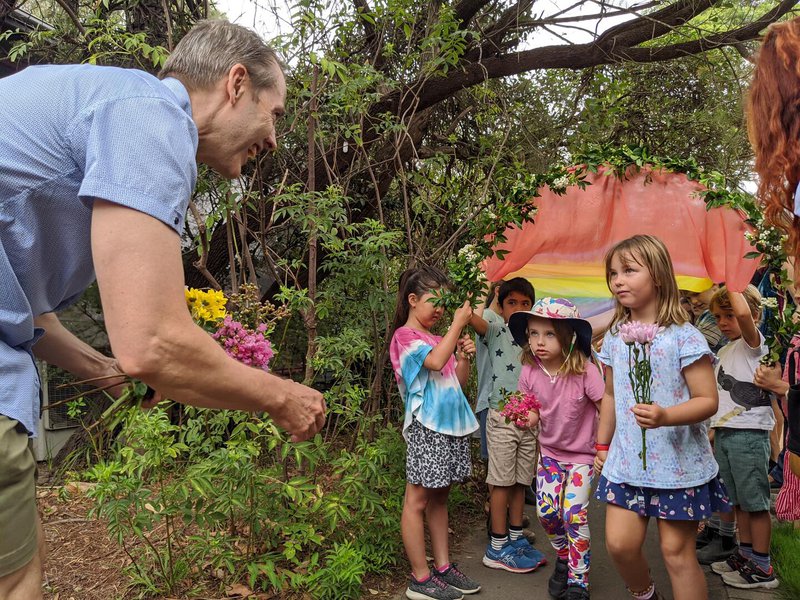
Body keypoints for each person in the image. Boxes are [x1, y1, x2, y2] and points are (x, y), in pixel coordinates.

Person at [0, 20, 326, 600]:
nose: (275, 139)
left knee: (26, 555)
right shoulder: (151, 114)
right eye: (274, 113)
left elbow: (27, 314)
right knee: (17, 578)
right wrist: (282, 397)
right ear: (235, 84)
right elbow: (153, 343)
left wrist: (104, 371)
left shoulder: (105, 101)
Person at [594, 235, 731, 600]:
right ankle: (646, 594)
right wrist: (602, 445)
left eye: (628, 271)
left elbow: (708, 400)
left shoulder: (684, 337)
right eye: (613, 273)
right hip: (627, 464)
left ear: (657, 275)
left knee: (677, 553)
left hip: (678, 467)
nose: (618, 280)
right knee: (620, 545)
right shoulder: (614, 337)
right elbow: (611, 394)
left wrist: (666, 415)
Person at [389, 266, 481, 600]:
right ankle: (420, 577)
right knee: (416, 500)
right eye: (434, 301)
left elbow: (457, 381)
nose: (441, 309)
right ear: (413, 300)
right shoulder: (404, 337)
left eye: (445, 304)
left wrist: (463, 358)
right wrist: (457, 325)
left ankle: (443, 568)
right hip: (426, 427)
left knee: (440, 497)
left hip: (448, 425)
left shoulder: (436, 338)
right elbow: (434, 363)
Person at [508, 298, 604, 600]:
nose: (539, 342)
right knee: (547, 514)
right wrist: (525, 418)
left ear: (568, 336)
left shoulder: (585, 371)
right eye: (533, 333)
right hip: (549, 454)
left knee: (573, 515)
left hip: (583, 456)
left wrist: (606, 447)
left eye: (549, 334)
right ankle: (564, 556)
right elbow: (532, 411)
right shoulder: (529, 371)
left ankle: (578, 580)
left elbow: (606, 408)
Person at [705, 286, 781, 590]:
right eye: (717, 317)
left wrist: (731, 280)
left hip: (748, 434)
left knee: (755, 503)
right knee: (737, 500)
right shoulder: (725, 350)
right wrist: (714, 428)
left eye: (729, 315)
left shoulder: (754, 344)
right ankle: (746, 554)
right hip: (727, 433)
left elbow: (745, 314)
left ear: (753, 315)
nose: (723, 322)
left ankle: (762, 567)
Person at [469, 278, 545, 573]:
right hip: (502, 417)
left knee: (521, 481)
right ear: (500, 306)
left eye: (525, 303)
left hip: (530, 421)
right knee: (500, 481)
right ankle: (497, 546)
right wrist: (475, 286)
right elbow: (472, 318)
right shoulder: (495, 329)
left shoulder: (535, 339)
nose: (519, 308)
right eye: (512, 302)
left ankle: (515, 538)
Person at [685, 284, 727, 353]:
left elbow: (698, 345)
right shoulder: (706, 314)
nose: (693, 301)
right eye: (688, 298)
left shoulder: (713, 315)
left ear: (715, 287)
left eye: (697, 293)